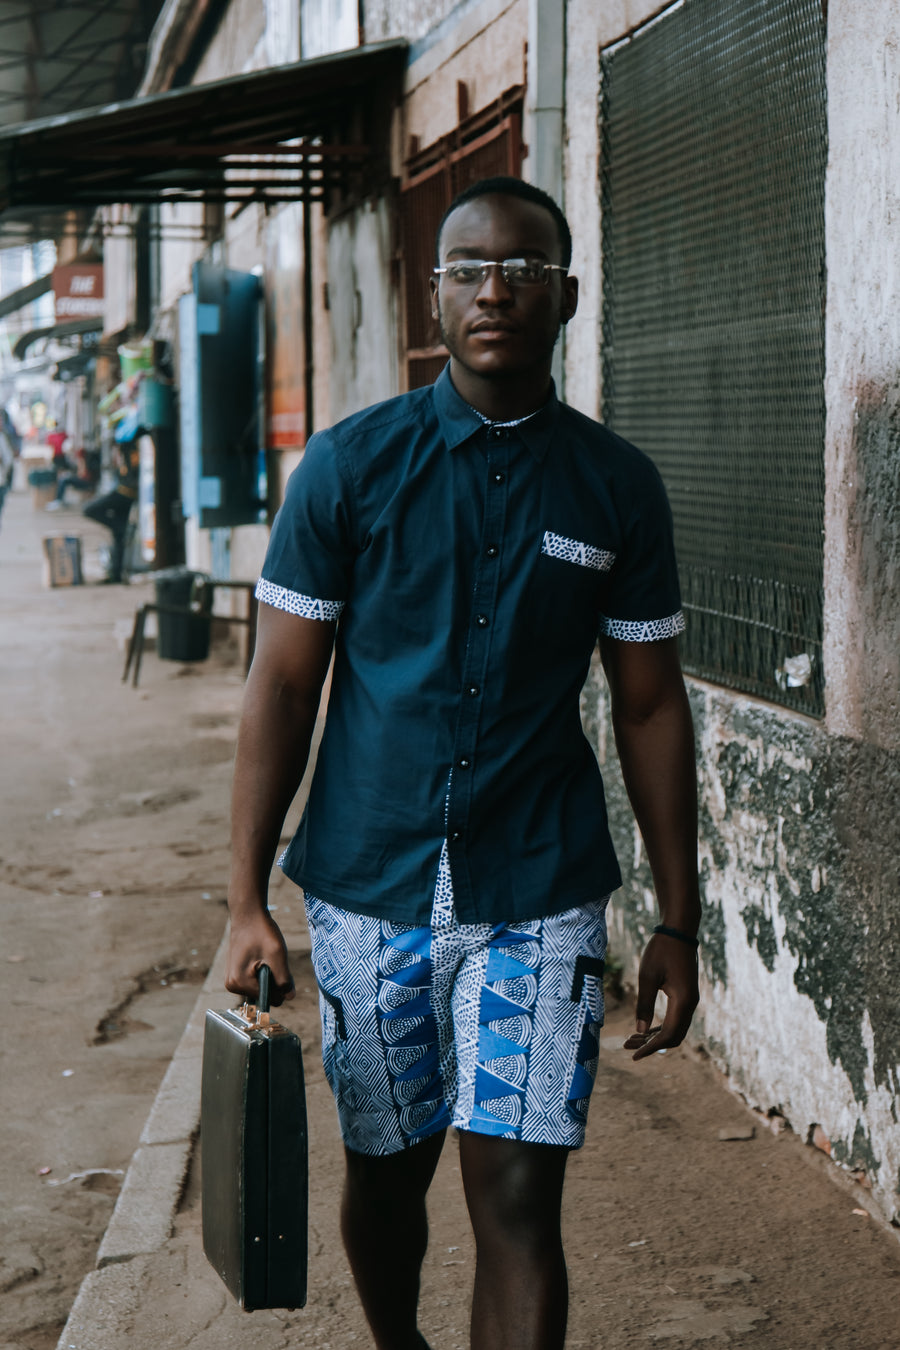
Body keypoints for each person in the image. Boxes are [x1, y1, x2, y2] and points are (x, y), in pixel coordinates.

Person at [226, 176, 701, 1350]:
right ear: (432, 293)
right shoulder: (349, 468)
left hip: (537, 889)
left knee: (522, 1201)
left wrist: (679, 922)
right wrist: (242, 903)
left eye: (528, 268)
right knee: (386, 1178)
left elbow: (649, 710)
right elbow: (284, 686)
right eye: (473, 267)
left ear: (569, 296)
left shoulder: (615, 486)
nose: (499, 288)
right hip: (365, 890)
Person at [82, 437, 139, 583]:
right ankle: (116, 574)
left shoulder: (131, 453)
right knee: (119, 537)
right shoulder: (126, 454)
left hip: (124, 494)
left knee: (89, 510)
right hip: (124, 492)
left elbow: (132, 475)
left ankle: (119, 526)